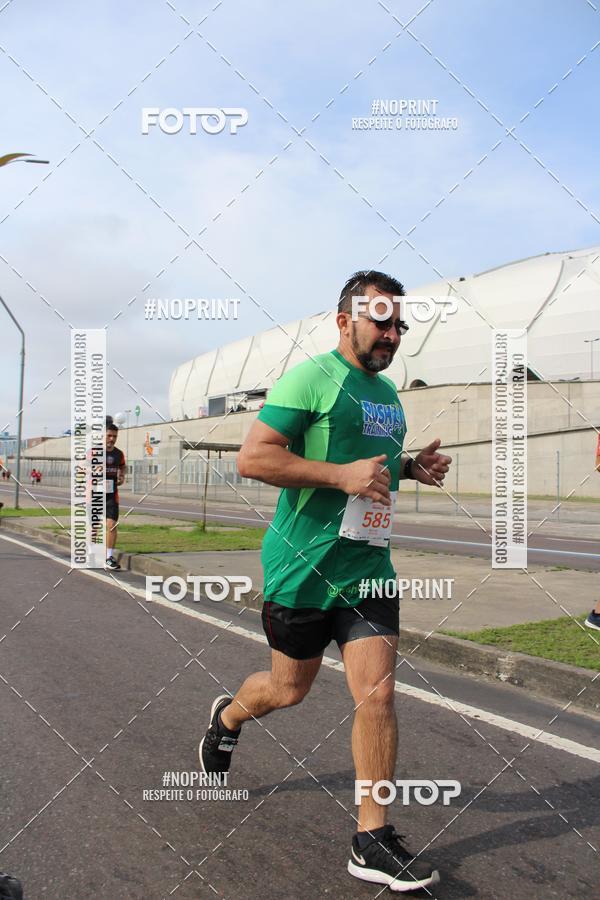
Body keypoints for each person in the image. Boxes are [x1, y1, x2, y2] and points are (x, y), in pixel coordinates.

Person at [198, 270, 452, 892]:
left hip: (367, 571)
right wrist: (340, 477)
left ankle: (371, 837)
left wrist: (412, 467)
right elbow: (254, 457)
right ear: (345, 322)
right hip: (300, 570)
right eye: (381, 322)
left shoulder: (388, 394)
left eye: (400, 325)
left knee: (379, 696)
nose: (393, 334)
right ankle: (228, 717)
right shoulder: (310, 377)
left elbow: (376, 465)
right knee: (289, 690)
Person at [105, 421, 126, 570]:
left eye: (114, 436)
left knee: (112, 525)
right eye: (109, 435)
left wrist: (122, 476)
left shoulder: (119, 454)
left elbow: (123, 466)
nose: (112, 439)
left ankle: (109, 557)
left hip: (112, 494)